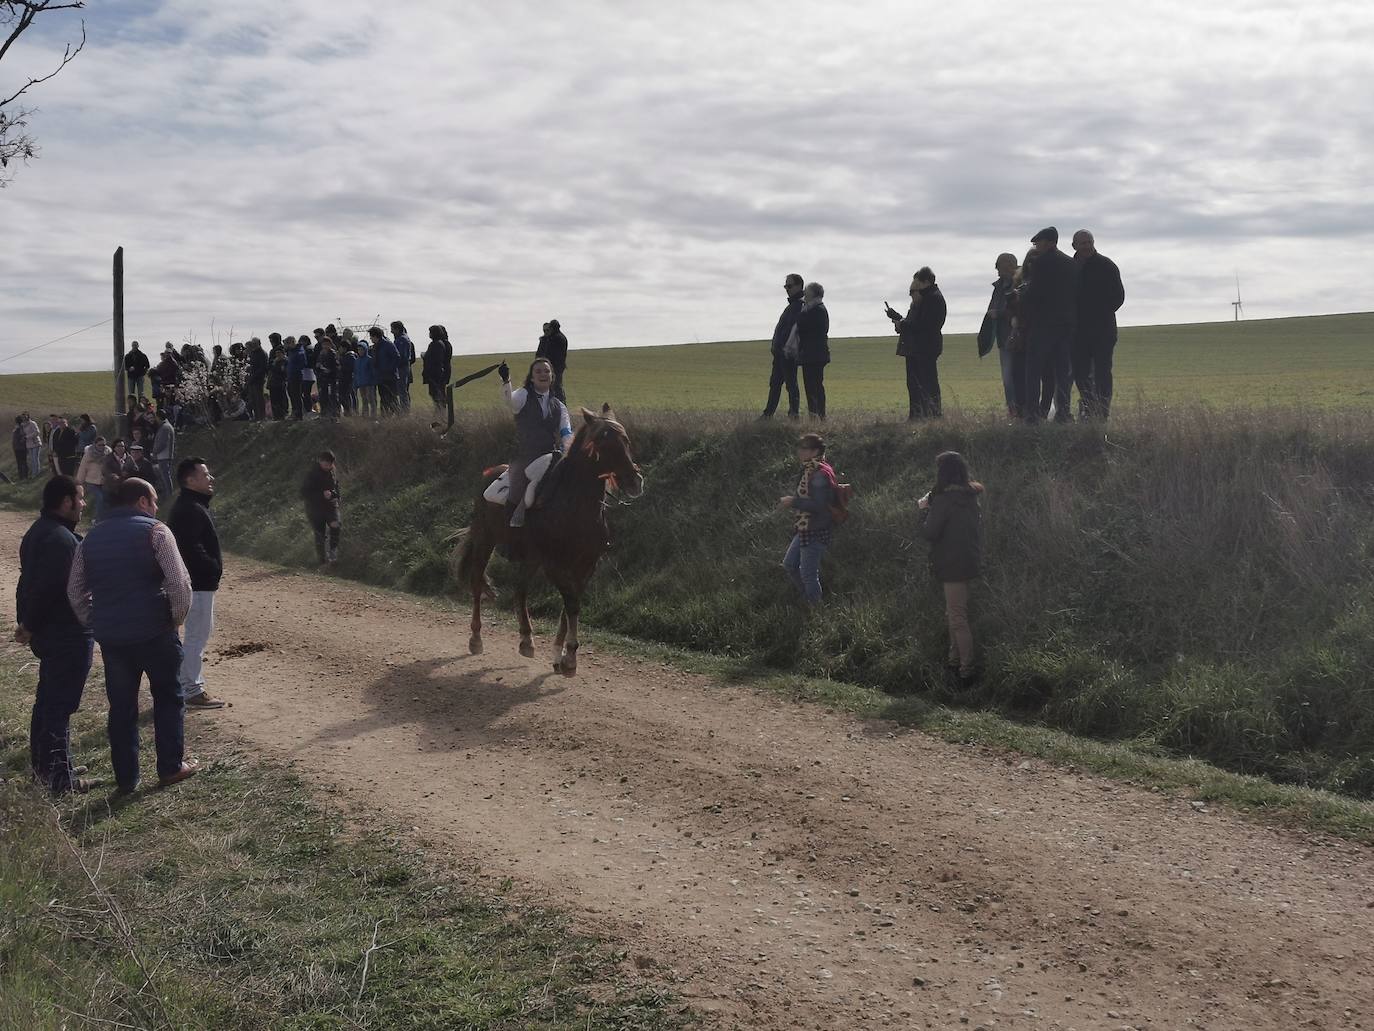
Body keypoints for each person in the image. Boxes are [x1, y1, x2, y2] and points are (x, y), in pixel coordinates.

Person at [66, 476, 199, 793]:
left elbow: (75, 591)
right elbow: (180, 584)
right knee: (167, 698)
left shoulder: (90, 539)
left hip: (113, 638)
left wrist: (94, 622)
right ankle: (170, 767)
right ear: (141, 501)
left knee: (122, 707)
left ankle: (127, 778)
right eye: (153, 500)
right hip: (155, 632)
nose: (155, 507)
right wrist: (174, 619)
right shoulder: (157, 532)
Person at [16, 476, 99, 793]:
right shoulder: (61, 541)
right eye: (80, 498)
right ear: (66, 502)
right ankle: (60, 781)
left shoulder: (38, 532)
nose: (83, 503)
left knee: (48, 702)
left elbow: (28, 586)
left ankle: (47, 767)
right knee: (59, 707)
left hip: (52, 633)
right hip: (66, 633)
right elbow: (48, 590)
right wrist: (30, 625)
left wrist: (28, 623)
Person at [917, 451, 984, 685]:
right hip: (968, 559)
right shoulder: (970, 496)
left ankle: (966, 669)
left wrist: (925, 510)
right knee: (953, 613)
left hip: (951, 562)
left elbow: (930, 532)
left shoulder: (944, 501)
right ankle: (953, 660)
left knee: (956, 616)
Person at [169, 458, 225, 709]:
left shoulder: (193, 505)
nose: (210, 478)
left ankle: (186, 684)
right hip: (197, 582)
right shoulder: (189, 508)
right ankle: (191, 689)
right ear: (190, 480)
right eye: (204, 474)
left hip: (199, 581)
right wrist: (210, 566)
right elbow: (189, 547)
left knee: (199, 633)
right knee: (197, 635)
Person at [499, 357, 573, 528]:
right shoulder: (523, 394)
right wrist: (506, 380)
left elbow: (566, 433)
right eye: (538, 371)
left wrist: (569, 452)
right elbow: (509, 402)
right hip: (524, 455)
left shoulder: (560, 406)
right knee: (516, 490)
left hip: (549, 456)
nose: (543, 374)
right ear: (531, 377)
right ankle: (509, 533)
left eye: (547, 371)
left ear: (552, 376)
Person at [1019, 227, 1076, 423]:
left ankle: (1033, 413)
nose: (1037, 246)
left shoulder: (1040, 263)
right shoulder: (1070, 263)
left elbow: (1034, 293)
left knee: (1033, 370)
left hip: (1042, 324)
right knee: (1062, 372)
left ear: (1049, 242)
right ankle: (1063, 412)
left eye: (1039, 243)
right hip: (1065, 325)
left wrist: (1023, 300)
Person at [1071, 230, 1126, 420]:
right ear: (1074, 246)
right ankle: (1088, 409)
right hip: (1077, 332)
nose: (1086, 246)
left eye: (1089, 242)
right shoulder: (1069, 268)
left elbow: (1118, 298)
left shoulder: (1106, 266)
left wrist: (1097, 310)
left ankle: (1102, 413)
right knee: (1081, 373)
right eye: (1082, 243)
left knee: (1103, 373)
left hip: (1103, 330)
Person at [778, 432, 836, 605]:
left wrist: (793, 501)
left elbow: (819, 505)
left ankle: (814, 607)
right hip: (805, 528)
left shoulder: (820, 473)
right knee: (790, 564)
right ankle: (808, 597)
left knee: (808, 574)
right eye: (800, 448)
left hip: (816, 529)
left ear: (814, 451)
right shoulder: (810, 469)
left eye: (804, 448)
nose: (799, 452)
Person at [886, 267, 948, 419]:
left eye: (915, 287)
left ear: (925, 281)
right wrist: (900, 321)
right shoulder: (924, 299)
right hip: (917, 348)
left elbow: (924, 325)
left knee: (927, 384)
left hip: (925, 348)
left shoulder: (933, 298)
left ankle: (931, 415)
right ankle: (918, 416)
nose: (913, 292)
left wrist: (903, 324)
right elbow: (914, 323)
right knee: (915, 384)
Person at [982, 253, 1021, 418]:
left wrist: (998, 313)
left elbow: (1019, 308)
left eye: (999, 267)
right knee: (1007, 377)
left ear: (1008, 265)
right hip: (1003, 337)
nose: (997, 271)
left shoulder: (1020, 282)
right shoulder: (999, 286)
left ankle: (1022, 409)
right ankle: (1012, 409)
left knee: (1017, 375)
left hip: (1018, 337)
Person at [761, 274, 804, 419]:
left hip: (787, 353)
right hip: (780, 353)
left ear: (799, 286)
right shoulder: (792, 306)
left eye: (789, 286)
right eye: (785, 286)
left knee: (791, 384)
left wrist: (787, 349)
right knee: (775, 384)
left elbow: (794, 331)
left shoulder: (799, 306)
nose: (787, 289)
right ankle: (768, 414)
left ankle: (793, 414)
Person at [794, 282, 830, 419]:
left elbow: (802, 325)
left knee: (814, 386)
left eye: (807, 291)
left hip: (814, 354)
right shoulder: (815, 308)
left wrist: (801, 313)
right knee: (812, 386)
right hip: (813, 354)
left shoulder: (817, 310)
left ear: (813, 293)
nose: (804, 293)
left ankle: (818, 415)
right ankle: (816, 414)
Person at [301, 450, 342, 564]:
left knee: (336, 525)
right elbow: (304, 492)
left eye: (330, 464)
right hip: (315, 508)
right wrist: (321, 494)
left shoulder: (332, 473)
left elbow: (336, 489)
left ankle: (333, 553)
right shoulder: (312, 474)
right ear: (320, 461)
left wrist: (335, 496)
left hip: (330, 506)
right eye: (325, 464)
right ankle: (322, 561)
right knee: (320, 535)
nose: (328, 466)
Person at [75, 436, 110, 521]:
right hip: (91, 481)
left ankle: (104, 518)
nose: (102, 447)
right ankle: (97, 519)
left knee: (106, 499)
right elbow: (83, 468)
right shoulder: (89, 453)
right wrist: (79, 482)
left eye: (104, 445)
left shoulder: (108, 452)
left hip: (103, 481)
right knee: (100, 498)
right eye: (100, 445)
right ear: (95, 444)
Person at [535, 319, 569, 402]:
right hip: (556, 366)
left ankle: (559, 404)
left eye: (548, 329)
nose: (546, 331)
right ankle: (558, 404)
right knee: (555, 386)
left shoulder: (555, 339)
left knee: (555, 386)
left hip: (554, 367)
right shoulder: (561, 338)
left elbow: (549, 353)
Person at [370, 326, 401, 415]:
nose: (370, 338)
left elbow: (397, 357)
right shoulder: (375, 347)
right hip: (380, 377)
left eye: (371, 336)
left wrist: (389, 369)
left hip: (390, 377)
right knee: (383, 399)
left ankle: (399, 417)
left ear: (376, 336)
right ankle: (385, 418)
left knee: (392, 399)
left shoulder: (388, 344)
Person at [101, 438, 133, 514]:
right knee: (110, 508)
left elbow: (135, 469)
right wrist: (112, 475)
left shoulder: (129, 458)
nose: (120, 448)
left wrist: (128, 472)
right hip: (111, 488)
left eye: (122, 446)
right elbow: (105, 470)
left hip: (124, 487)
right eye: (118, 446)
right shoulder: (108, 458)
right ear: (114, 447)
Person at [423, 325, 450, 411]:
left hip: (435, 374)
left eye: (430, 332)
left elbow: (436, 359)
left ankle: (440, 413)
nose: (429, 334)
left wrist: (425, 356)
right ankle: (439, 411)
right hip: (434, 373)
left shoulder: (437, 344)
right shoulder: (438, 343)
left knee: (438, 395)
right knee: (435, 395)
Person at [151, 409, 176, 498]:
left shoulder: (165, 427)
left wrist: (154, 452)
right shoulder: (165, 426)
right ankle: (166, 494)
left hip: (164, 456)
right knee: (164, 476)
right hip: (163, 455)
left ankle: (169, 495)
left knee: (165, 476)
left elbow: (163, 443)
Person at [391, 321, 415, 411]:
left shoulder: (402, 340)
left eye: (392, 329)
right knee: (402, 390)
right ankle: (404, 409)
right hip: (402, 367)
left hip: (401, 367)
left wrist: (394, 363)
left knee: (402, 390)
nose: (391, 331)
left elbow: (401, 356)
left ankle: (405, 410)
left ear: (397, 329)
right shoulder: (401, 339)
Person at [315, 334, 340, 419]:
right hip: (323, 378)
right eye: (323, 344)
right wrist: (318, 367)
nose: (325, 346)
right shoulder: (321, 354)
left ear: (330, 344)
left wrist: (330, 370)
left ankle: (335, 414)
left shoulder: (332, 353)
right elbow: (318, 365)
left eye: (327, 344)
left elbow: (336, 366)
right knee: (323, 396)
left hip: (331, 379)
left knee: (332, 396)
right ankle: (324, 413)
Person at [245, 337, 268, 421]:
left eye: (255, 343)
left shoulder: (262, 353)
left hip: (258, 379)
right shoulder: (253, 353)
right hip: (252, 378)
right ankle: (256, 416)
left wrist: (254, 375)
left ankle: (262, 416)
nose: (253, 344)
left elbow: (262, 367)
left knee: (259, 399)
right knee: (253, 399)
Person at [353, 339, 378, 418]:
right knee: (364, 400)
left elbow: (373, 372)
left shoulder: (369, 359)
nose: (360, 351)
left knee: (371, 400)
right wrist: (355, 383)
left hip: (369, 383)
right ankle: (365, 416)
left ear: (365, 350)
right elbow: (356, 373)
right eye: (359, 350)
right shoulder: (356, 361)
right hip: (361, 383)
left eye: (362, 350)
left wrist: (373, 382)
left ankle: (373, 416)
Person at [286, 336, 307, 420]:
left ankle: (299, 414)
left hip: (297, 376)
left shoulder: (300, 351)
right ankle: (294, 412)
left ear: (293, 342)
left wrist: (295, 369)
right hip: (290, 376)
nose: (288, 345)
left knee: (297, 395)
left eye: (289, 343)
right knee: (291, 394)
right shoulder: (291, 351)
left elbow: (303, 363)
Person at [267, 341, 289, 419]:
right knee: (274, 400)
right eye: (277, 353)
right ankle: (276, 415)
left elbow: (282, 371)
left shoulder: (285, 361)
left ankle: (283, 414)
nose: (278, 355)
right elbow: (269, 369)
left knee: (281, 399)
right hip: (273, 383)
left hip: (281, 383)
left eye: (279, 353)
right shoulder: (274, 362)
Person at [337, 331, 357, 416]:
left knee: (347, 396)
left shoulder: (350, 356)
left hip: (348, 380)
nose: (339, 349)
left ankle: (350, 412)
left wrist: (341, 368)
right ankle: (347, 412)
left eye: (340, 348)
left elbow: (352, 368)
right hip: (343, 379)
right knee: (342, 397)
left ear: (345, 348)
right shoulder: (343, 357)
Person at [23, 412, 42, 478]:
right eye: (23, 416)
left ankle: (37, 473)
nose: (24, 417)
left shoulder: (32, 423)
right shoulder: (23, 425)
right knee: (32, 460)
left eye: (25, 415)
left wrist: (28, 436)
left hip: (35, 443)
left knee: (35, 459)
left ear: (28, 416)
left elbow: (37, 432)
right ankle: (34, 474)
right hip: (28, 444)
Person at [12, 415, 29, 480]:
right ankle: (21, 477)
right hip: (18, 448)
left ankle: (24, 477)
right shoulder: (18, 428)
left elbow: (23, 437)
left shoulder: (21, 428)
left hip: (20, 448)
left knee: (22, 463)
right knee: (21, 463)